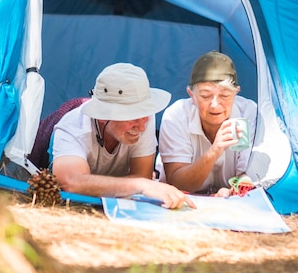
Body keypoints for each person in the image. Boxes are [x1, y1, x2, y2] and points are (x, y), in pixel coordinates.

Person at [51, 62, 196, 210]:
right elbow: (72, 182)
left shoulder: (144, 118)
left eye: (144, 113)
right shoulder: (72, 128)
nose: (141, 127)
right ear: (102, 115)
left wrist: (96, 185)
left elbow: (142, 175)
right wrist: (140, 185)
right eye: (132, 116)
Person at [159, 51, 257, 197]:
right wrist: (214, 151)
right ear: (191, 95)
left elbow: (246, 175)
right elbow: (177, 182)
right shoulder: (176, 116)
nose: (215, 105)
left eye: (225, 95)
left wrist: (232, 190)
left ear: (236, 93)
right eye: (205, 96)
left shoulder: (248, 113)